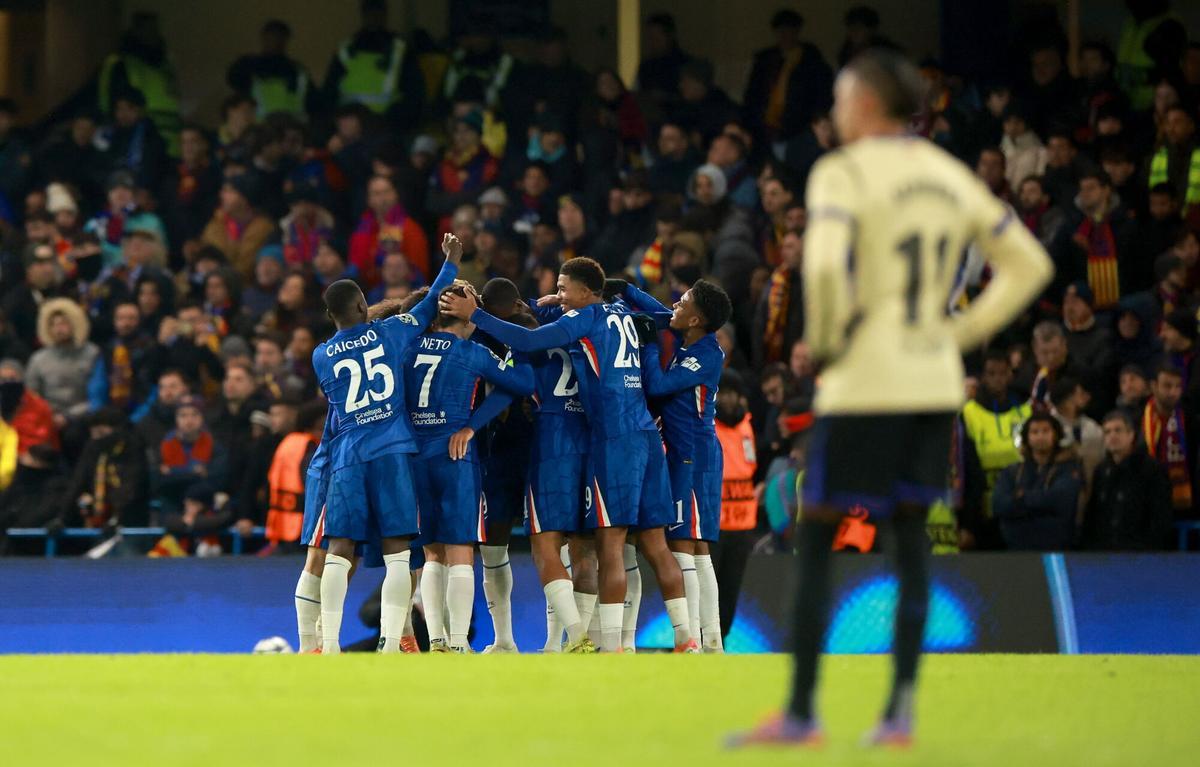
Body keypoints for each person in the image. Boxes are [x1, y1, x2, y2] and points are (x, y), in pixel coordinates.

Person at [729, 50, 1053, 748]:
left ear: (869, 104)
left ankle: (801, 713)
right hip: (933, 382)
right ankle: (899, 715)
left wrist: (829, 333)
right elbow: (1031, 262)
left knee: (813, 536)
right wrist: (960, 330)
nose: (836, 113)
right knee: (911, 543)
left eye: (843, 99)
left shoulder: (843, 172)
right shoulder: (948, 175)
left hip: (868, 379)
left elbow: (820, 262)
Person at [440, 256, 695, 654]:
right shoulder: (619, 313)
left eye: (562, 289)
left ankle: (580, 639)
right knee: (612, 547)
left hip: (569, 441)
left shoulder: (564, 327)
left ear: (585, 290)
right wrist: (625, 290)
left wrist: (477, 317)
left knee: (552, 543)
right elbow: (665, 319)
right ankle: (683, 639)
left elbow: (523, 355)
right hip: (621, 435)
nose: (556, 296)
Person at [311, 233, 463, 654]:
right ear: (363, 306)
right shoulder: (391, 333)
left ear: (330, 315)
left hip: (348, 455)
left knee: (340, 549)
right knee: (399, 553)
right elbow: (429, 303)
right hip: (393, 449)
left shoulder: (321, 354)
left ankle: (327, 644)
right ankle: (393, 642)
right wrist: (450, 263)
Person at [400, 282, 534, 653]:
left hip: (415, 456)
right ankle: (459, 643)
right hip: (455, 455)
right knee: (460, 549)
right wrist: (472, 425)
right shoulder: (471, 352)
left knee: (431, 552)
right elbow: (522, 382)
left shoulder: (409, 346)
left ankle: (438, 640)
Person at [625, 279, 734, 653]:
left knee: (687, 544)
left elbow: (658, 386)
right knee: (695, 547)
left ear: (696, 319)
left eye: (683, 302)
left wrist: (649, 345)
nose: (675, 304)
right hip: (685, 453)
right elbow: (658, 312)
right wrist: (627, 290)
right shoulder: (692, 339)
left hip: (695, 455)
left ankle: (703, 641)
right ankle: (711, 642)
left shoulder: (706, 354)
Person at [960, 350, 1032, 549]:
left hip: (1019, 503)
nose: (997, 379)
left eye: (1002, 373)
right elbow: (965, 465)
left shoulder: (1025, 410)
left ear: (1010, 374)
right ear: (983, 377)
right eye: (991, 374)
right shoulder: (969, 412)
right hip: (983, 505)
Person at [322, 0, 425, 133]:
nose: (373, 18)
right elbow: (329, 93)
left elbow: (414, 94)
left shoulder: (400, 51)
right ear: (363, 16)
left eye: (377, 13)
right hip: (349, 128)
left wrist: (397, 123)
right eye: (370, 13)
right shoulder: (346, 50)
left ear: (385, 16)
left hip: (387, 128)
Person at [1082, 409, 1172, 549]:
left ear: (1131, 434)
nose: (1112, 436)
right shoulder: (1101, 471)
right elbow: (1093, 514)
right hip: (1103, 553)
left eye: (1118, 430)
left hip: (1139, 552)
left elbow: (1160, 516)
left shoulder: (1151, 469)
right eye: (1107, 432)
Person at [992, 413, 1083, 550]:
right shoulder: (1012, 472)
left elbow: (1061, 501)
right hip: (1016, 551)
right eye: (1035, 432)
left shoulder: (1069, 468)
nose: (1040, 436)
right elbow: (999, 505)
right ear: (1027, 437)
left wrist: (1020, 497)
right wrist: (1041, 503)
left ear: (1056, 435)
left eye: (1046, 431)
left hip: (1057, 549)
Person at [742, 10, 833, 146]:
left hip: (798, 129)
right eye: (780, 32)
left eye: (789, 31)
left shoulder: (811, 61)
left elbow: (820, 96)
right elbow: (753, 94)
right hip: (764, 128)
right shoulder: (765, 60)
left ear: (796, 32)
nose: (785, 36)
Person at [96, 12, 181, 157]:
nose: (151, 33)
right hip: (138, 145)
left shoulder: (166, 64)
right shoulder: (121, 63)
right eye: (146, 29)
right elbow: (111, 105)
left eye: (153, 28)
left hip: (172, 145)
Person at [226, 20, 316, 120]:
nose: (275, 42)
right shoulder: (247, 66)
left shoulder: (298, 71)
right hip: (261, 130)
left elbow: (313, 104)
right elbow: (235, 87)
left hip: (294, 130)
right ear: (263, 38)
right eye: (272, 37)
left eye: (279, 37)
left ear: (286, 40)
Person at [1140, 365, 1197, 519]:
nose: (1173, 392)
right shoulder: (1138, 416)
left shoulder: (1190, 419)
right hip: (1144, 497)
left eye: (1177, 386)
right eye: (1167, 386)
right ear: (1153, 386)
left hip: (1184, 499)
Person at [200, 175, 277, 283]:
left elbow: (245, 269)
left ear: (244, 198)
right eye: (223, 190)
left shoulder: (262, 228)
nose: (222, 195)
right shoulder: (217, 223)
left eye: (229, 191)